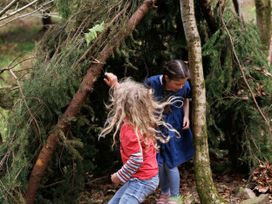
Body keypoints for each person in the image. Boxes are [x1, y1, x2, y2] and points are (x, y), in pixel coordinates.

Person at [100, 76, 178, 204]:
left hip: (143, 180)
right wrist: (115, 84)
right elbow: (132, 97)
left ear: (122, 106)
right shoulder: (141, 120)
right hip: (143, 176)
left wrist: (118, 176)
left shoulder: (128, 130)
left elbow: (136, 159)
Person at [144, 59, 194, 204]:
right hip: (155, 128)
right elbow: (144, 105)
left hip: (175, 128)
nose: (181, 86)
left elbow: (186, 99)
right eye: (177, 84)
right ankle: (164, 193)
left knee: (171, 163)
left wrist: (186, 116)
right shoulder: (151, 83)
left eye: (183, 83)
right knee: (159, 163)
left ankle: (175, 196)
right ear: (166, 77)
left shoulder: (184, 86)